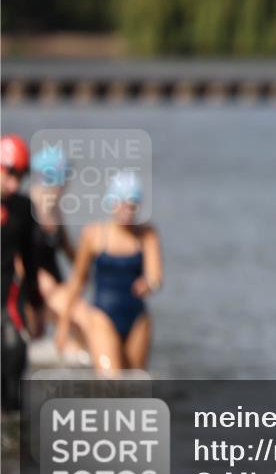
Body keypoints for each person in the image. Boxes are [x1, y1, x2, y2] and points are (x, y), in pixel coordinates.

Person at [58, 172, 163, 375]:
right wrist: (63, 325)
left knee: (134, 382)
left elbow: (156, 275)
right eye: (122, 203)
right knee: (110, 381)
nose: (127, 210)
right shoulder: (94, 234)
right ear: (111, 202)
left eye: (132, 204)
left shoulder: (147, 234)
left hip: (137, 318)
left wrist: (149, 284)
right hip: (102, 315)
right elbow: (78, 280)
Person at [27, 145, 92, 363]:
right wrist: (35, 277)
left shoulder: (54, 205)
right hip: (37, 281)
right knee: (81, 317)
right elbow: (16, 248)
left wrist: (87, 267)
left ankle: (74, 357)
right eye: (65, 176)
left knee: (80, 318)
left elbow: (67, 248)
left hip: (56, 280)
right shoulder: (31, 204)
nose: (67, 182)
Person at [1, 134, 44, 411]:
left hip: (8, 299)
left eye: (22, 175)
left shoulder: (23, 208)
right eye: (10, 174)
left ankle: (14, 443)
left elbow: (30, 261)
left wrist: (37, 307)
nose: (16, 183)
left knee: (14, 361)